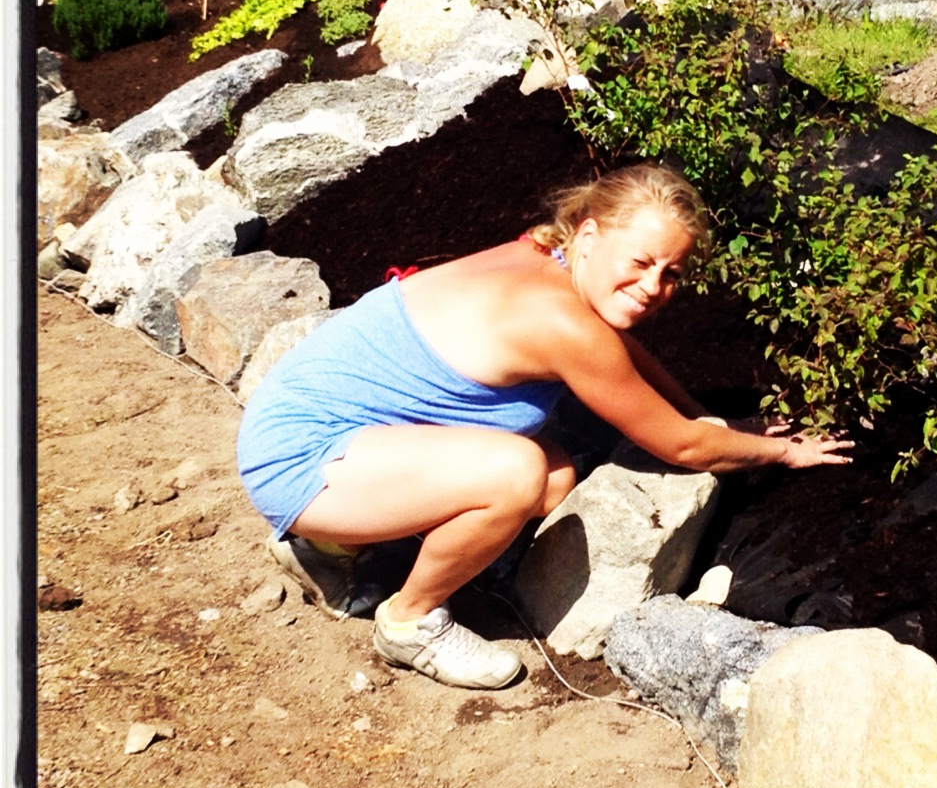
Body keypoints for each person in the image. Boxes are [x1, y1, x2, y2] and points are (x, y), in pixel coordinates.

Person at [236, 164, 853, 690]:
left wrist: (704, 411)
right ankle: (408, 622)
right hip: (304, 459)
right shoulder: (561, 322)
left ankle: (331, 548)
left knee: (554, 479)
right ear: (590, 234)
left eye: (671, 273)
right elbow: (683, 446)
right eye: (641, 262)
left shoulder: (545, 253)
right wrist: (780, 453)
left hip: (311, 428)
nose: (652, 287)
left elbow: (623, 358)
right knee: (519, 475)